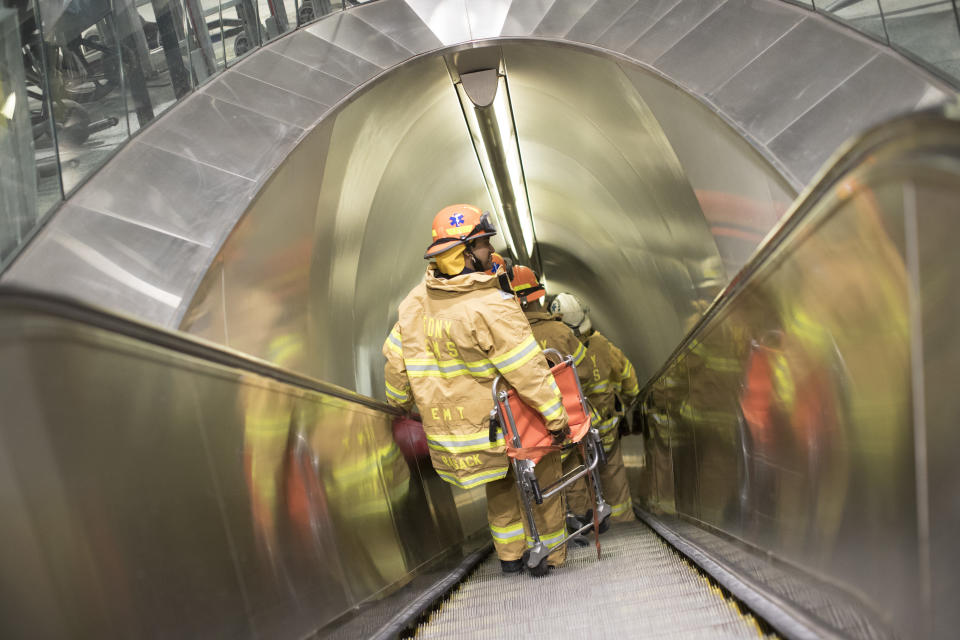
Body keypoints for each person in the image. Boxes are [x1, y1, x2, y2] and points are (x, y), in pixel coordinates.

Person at [382, 205, 569, 577]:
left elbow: (395, 366)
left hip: (457, 437)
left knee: (498, 487)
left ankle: (511, 557)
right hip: (507, 425)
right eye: (483, 244)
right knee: (544, 477)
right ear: (464, 252)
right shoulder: (490, 305)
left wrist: (401, 403)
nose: (489, 251)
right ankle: (551, 555)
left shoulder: (413, 304)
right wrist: (556, 415)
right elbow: (527, 370)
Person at [550, 292, 639, 526]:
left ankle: (591, 525)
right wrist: (630, 402)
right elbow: (628, 377)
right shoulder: (604, 346)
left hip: (577, 428)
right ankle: (624, 521)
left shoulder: (556, 352)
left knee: (581, 476)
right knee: (613, 474)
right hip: (607, 426)